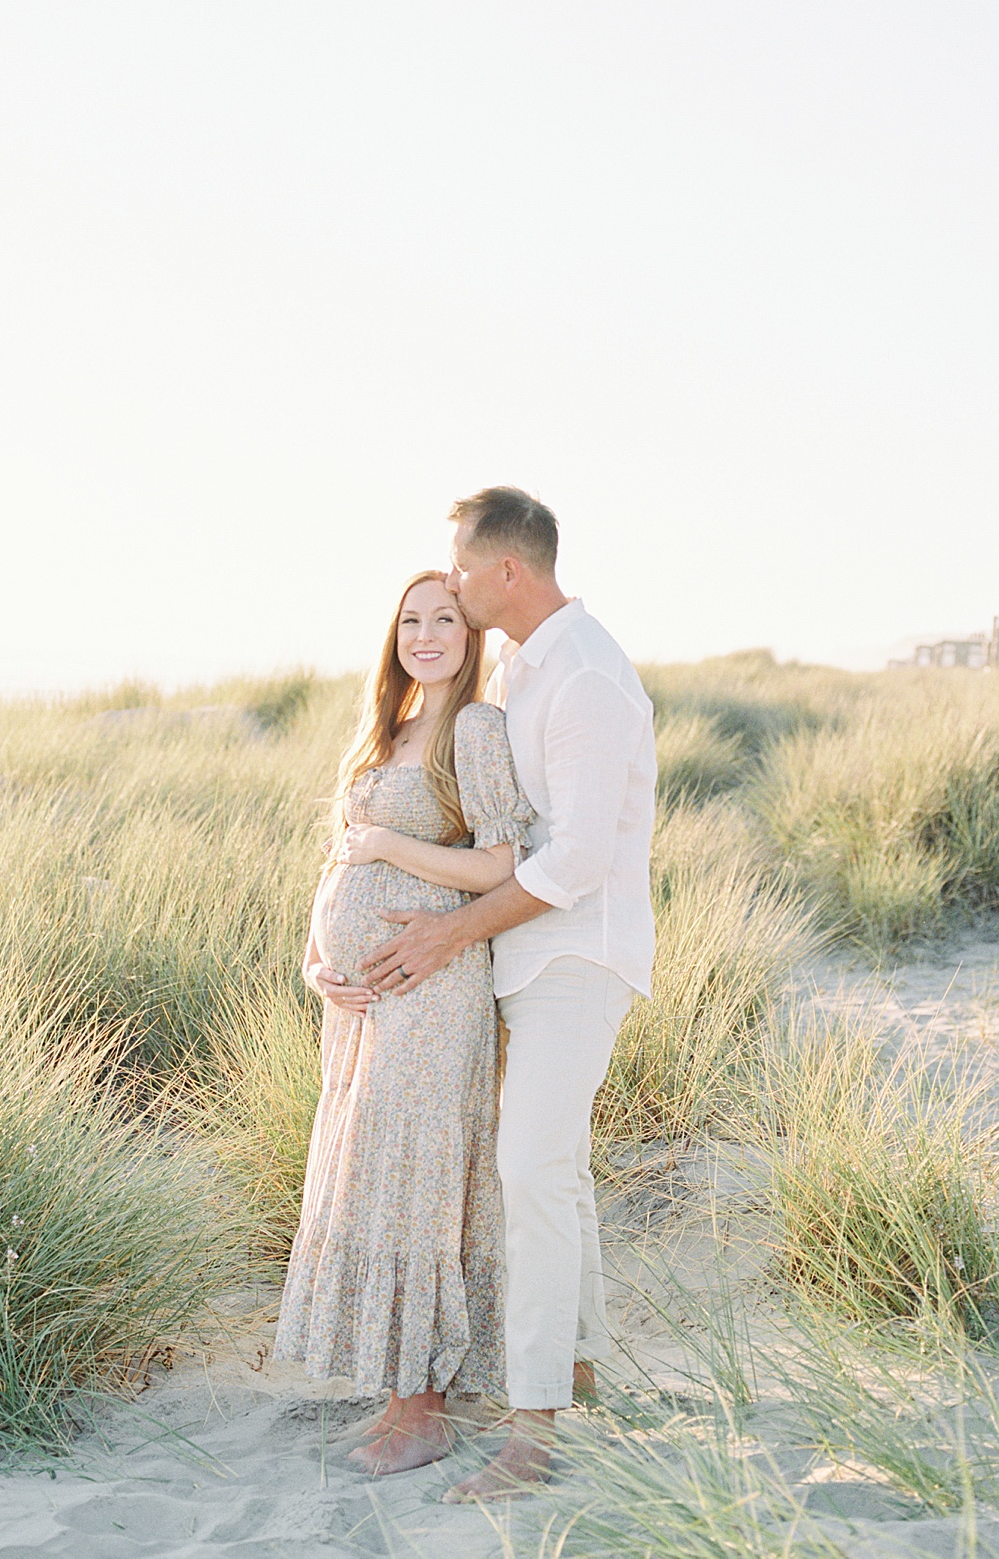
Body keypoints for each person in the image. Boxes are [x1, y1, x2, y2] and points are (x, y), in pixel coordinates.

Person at [360, 487, 657, 1501]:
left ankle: (534, 1427)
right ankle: (574, 1368)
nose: (446, 583)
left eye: (458, 569)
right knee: (555, 1171)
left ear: (507, 574)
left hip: (578, 956)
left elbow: (571, 858)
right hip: (525, 959)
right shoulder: (527, 670)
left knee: (527, 1166)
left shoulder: (585, 677)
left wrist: (448, 932)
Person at [273, 570, 534, 1475]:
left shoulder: (476, 727)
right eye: (411, 619)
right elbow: (337, 858)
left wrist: (387, 846)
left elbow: (503, 863)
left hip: (433, 987)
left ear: (473, 634)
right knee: (373, 1180)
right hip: (363, 1002)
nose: (426, 634)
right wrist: (318, 960)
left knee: (414, 1182)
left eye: (445, 619)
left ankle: (424, 1412)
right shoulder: (387, 726)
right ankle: (398, 1400)